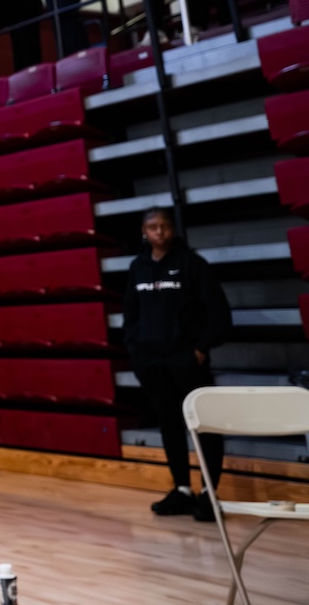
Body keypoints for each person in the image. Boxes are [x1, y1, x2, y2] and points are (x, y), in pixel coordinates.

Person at [124, 208, 232, 522]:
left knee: (203, 426)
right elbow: (131, 315)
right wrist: (137, 354)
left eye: (164, 226)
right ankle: (182, 490)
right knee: (169, 425)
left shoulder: (192, 264)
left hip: (186, 361)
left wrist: (199, 350)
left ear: (173, 230)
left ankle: (209, 494)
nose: (159, 232)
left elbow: (218, 314)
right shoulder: (137, 268)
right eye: (152, 227)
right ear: (144, 232)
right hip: (152, 363)